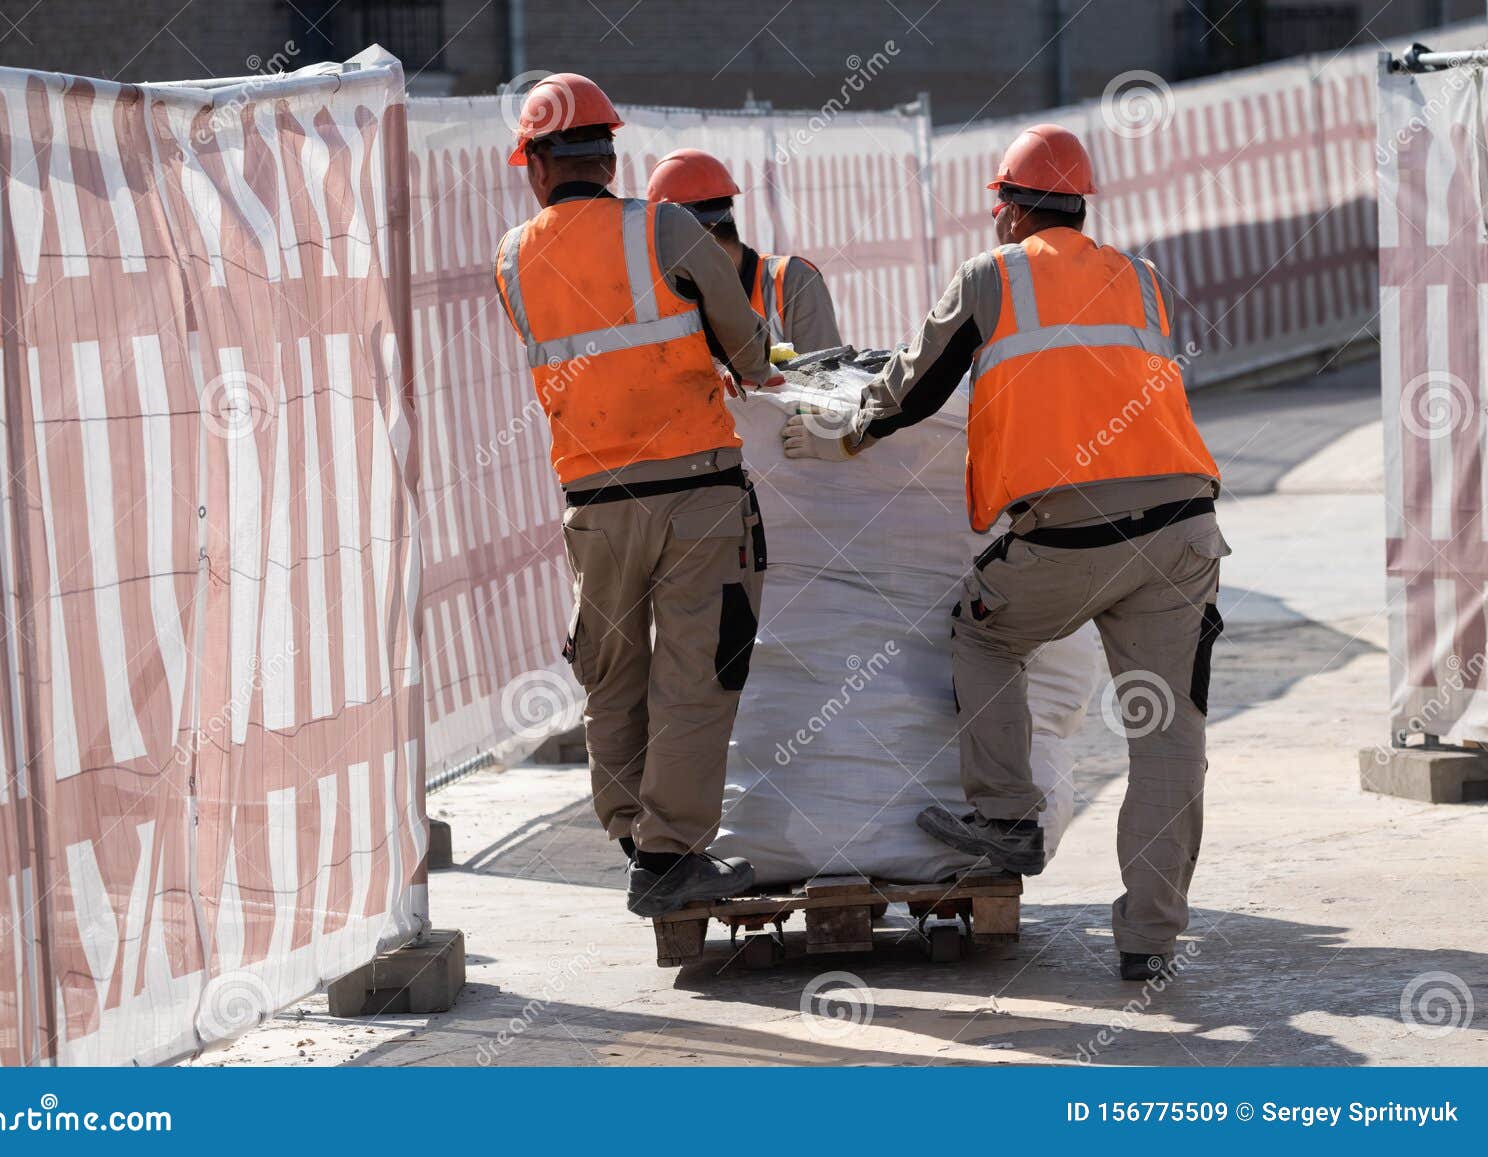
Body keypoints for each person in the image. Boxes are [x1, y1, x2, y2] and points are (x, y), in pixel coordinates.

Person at [781, 124, 1227, 982]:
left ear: (1009, 211)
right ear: (1081, 205)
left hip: (1068, 532)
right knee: (1169, 738)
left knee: (984, 634)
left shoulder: (994, 276)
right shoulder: (1142, 279)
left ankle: (1007, 817)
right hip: (1184, 529)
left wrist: (846, 434)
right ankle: (1150, 940)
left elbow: (915, 386)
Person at [494, 74, 783, 918]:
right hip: (698, 495)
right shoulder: (665, 230)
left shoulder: (510, 257)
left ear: (536, 167)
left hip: (592, 500)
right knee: (699, 671)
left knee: (611, 671)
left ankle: (631, 833)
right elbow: (753, 352)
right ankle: (668, 855)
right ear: (609, 155)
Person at [646, 148, 842, 354]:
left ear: (703, 233)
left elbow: (829, 379)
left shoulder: (792, 282)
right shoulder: (675, 299)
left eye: (667, 240)